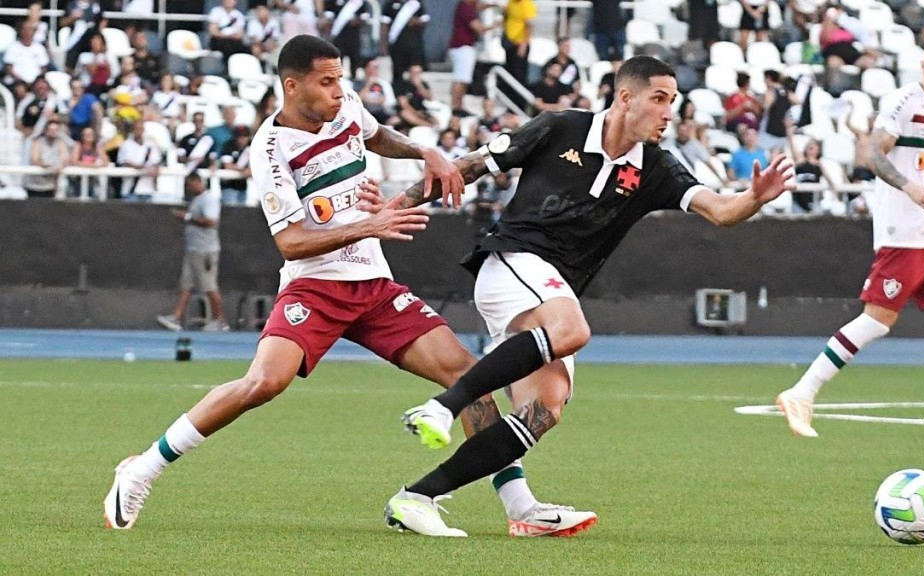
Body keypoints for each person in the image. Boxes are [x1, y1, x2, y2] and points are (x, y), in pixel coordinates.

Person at [104, 35, 588, 540]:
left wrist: (426, 152)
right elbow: (291, 243)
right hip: (315, 289)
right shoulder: (270, 148)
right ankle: (142, 469)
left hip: (374, 287)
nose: (340, 91)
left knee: (469, 379)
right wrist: (368, 226)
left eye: (342, 79)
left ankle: (521, 508)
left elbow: (376, 136)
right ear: (292, 86)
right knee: (263, 383)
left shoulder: (346, 107)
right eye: (327, 81)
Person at [384, 56, 795, 535]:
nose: (669, 113)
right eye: (659, 100)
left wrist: (754, 198)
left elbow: (721, 211)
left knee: (544, 409)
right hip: (511, 263)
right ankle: (444, 406)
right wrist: (392, 209)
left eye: (673, 103)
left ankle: (422, 498)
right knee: (572, 329)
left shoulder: (656, 167)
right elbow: (471, 166)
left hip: (551, 290)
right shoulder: (559, 128)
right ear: (625, 98)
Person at [774, 36, 924, 441]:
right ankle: (802, 393)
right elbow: (874, 153)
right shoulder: (903, 102)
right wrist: (910, 188)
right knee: (877, 322)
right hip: (902, 235)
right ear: (923, 65)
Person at [156, 173, 231, 332]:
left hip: (205, 251)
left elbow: (211, 221)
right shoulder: (197, 200)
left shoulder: (208, 199)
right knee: (187, 285)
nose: (188, 189)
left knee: (210, 286)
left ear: (198, 182)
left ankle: (220, 320)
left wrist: (187, 217)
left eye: (190, 185)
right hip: (193, 249)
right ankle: (176, 317)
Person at [381, 0, 430, 81]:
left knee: (415, 70)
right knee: (398, 72)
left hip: (414, 45)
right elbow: (384, 25)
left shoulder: (416, 3)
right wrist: (383, 45)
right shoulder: (390, 4)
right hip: (397, 45)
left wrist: (416, 21)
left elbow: (425, 21)